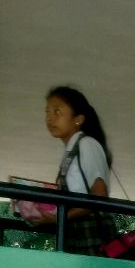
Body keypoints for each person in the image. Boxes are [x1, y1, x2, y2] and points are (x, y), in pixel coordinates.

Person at [33, 86, 116, 255]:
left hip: (91, 233)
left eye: (57, 111)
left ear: (78, 119)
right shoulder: (71, 150)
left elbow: (99, 195)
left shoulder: (87, 144)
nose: (50, 118)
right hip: (76, 233)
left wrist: (60, 217)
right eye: (47, 112)